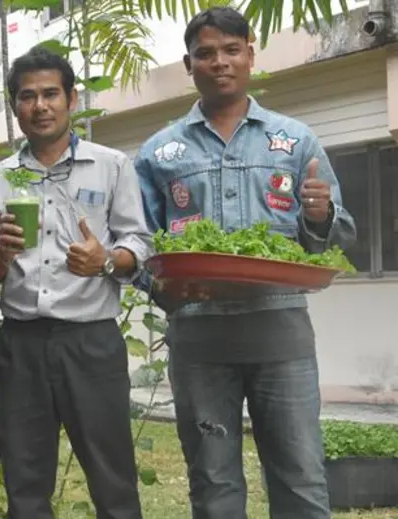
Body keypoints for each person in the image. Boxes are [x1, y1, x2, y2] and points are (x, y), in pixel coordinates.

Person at [134, 7, 356, 519]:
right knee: (213, 484)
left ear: (251, 55)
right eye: (206, 54)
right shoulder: (159, 152)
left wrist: (320, 214)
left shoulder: (296, 141)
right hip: (199, 342)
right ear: (188, 64)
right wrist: (162, 289)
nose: (220, 62)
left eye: (232, 50)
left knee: (300, 476)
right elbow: (141, 244)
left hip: (281, 337)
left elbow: (334, 239)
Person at [0, 46, 151, 519]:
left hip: (91, 340)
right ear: (15, 107)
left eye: (51, 93)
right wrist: (3, 253)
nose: (40, 105)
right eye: (28, 96)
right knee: (25, 484)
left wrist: (107, 259)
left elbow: (140, 244)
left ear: (72, 98)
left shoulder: (112, 166)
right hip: (22, 344)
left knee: (113, 477)